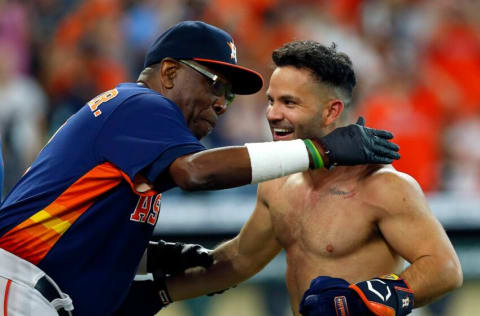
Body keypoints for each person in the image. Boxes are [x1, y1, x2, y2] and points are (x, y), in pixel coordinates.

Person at [0, 22, 400, 316]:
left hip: (37, 289)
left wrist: (153, 259)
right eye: (215, 84)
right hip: (21, 287)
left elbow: (77, 229)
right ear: (170, 72)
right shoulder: (140, 103)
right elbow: (197, 173)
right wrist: (320, 151)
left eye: (228, 93)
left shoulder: (136, 122)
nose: (222, 102)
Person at [128, 40, 463, 316]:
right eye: (271, 101)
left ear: (332, 111)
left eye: (289, 102)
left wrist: (363, 302)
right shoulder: (277, 182)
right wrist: (157, 293)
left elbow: (445, 268)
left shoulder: (384, 185)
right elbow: (239, 261)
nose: (273, 114)